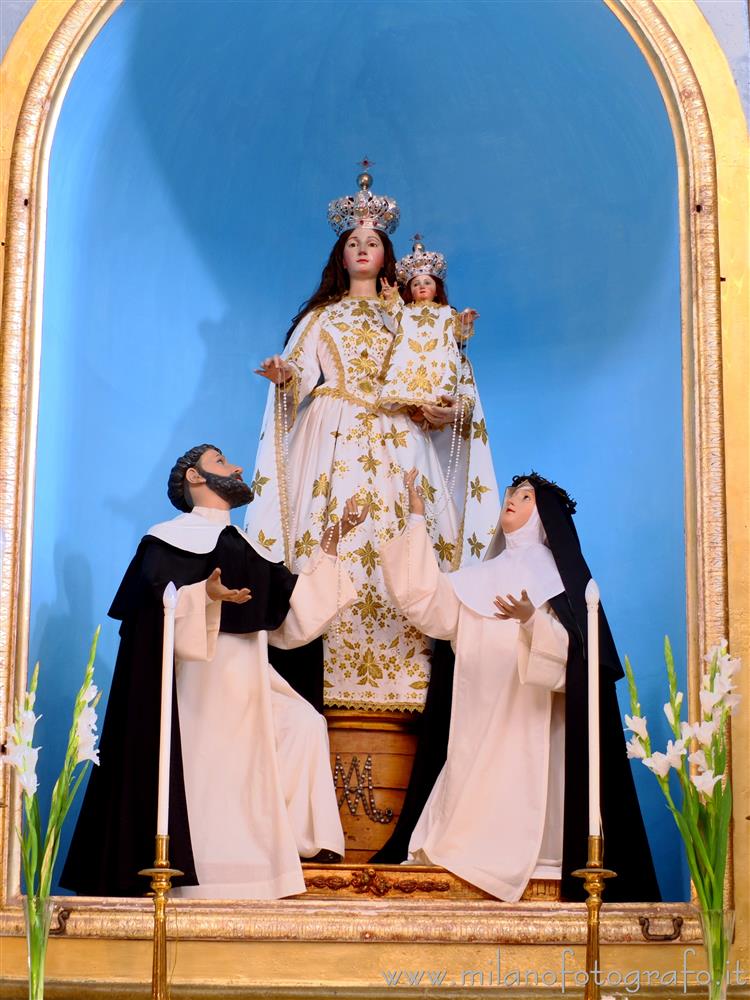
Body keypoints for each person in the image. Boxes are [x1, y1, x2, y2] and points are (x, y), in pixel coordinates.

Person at [62, 444, 367, 899]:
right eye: (222, 462)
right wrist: (203, 596)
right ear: (195, 477)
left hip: (249, 671)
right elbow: (151, 614)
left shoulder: (245, 545)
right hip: (198, 681)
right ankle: (212, 870)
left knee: (304, 724)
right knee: (214, 772)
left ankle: (304, 843)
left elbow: (293, 615)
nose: (237, 466)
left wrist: (333, 541)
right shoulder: (165, 539)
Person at [245, 169, 499, 714]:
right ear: (341, 256)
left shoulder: (408, 318)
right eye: (353, 242)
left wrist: (435, 408)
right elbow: (301, 374)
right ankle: (321, 678)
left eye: (373, 243)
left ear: (387, 257)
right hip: (332, 440)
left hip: (397, 440)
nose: (363, 249)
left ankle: (410, 687)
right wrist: (284, 376)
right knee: (329, 535)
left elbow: (430, 376)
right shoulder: (321, 318)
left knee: (404, 539)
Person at [376, 469, 660, 903]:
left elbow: (576, 663)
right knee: (462, 813)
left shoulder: (560, 582)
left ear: (543, 517)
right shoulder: (479, 576)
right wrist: (417, 519)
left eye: (525, 497)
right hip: (476, 716)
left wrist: (532, 621)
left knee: (525, 799)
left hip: (532, 723)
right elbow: (428, 605)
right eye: (512, 493)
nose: (512, 498)